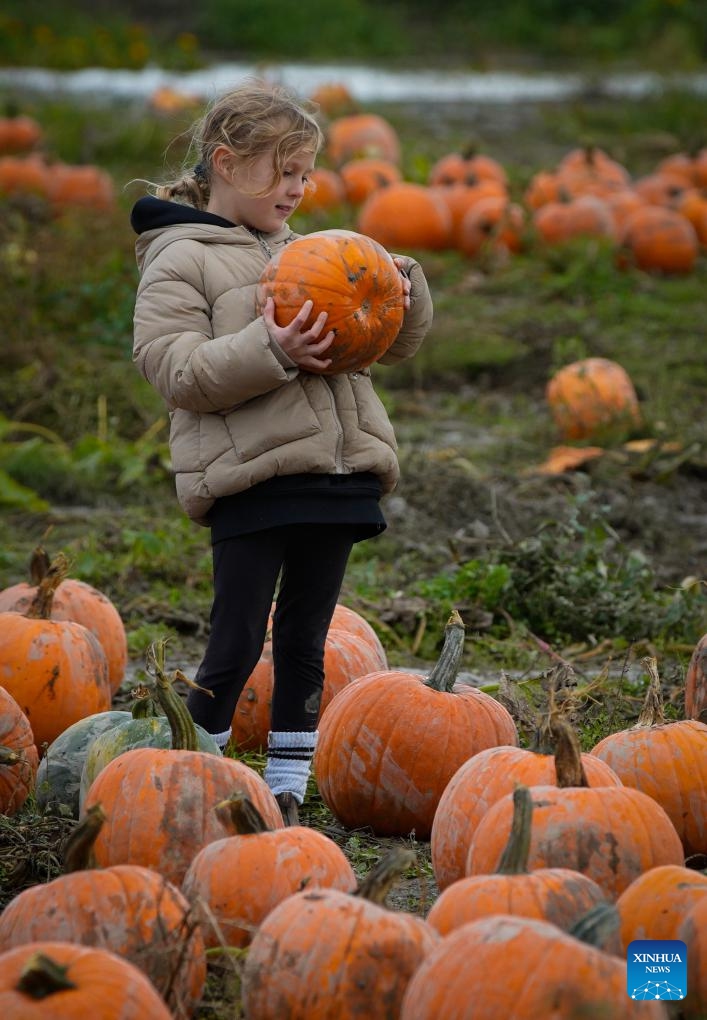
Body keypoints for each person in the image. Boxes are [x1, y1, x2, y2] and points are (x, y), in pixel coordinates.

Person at [131, 77, 433, 824]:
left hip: (337, 476)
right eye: (285, 171)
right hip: (252, 480)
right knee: (235, 637)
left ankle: (287, 790)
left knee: (307, 639)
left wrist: (400, 287)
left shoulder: (311, 252)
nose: (299, 189)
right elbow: (177, 371)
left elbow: (391, 348)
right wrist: (269, 345)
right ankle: (192, 776)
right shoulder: (179, 260)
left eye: (305, 173)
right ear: (228, 163)